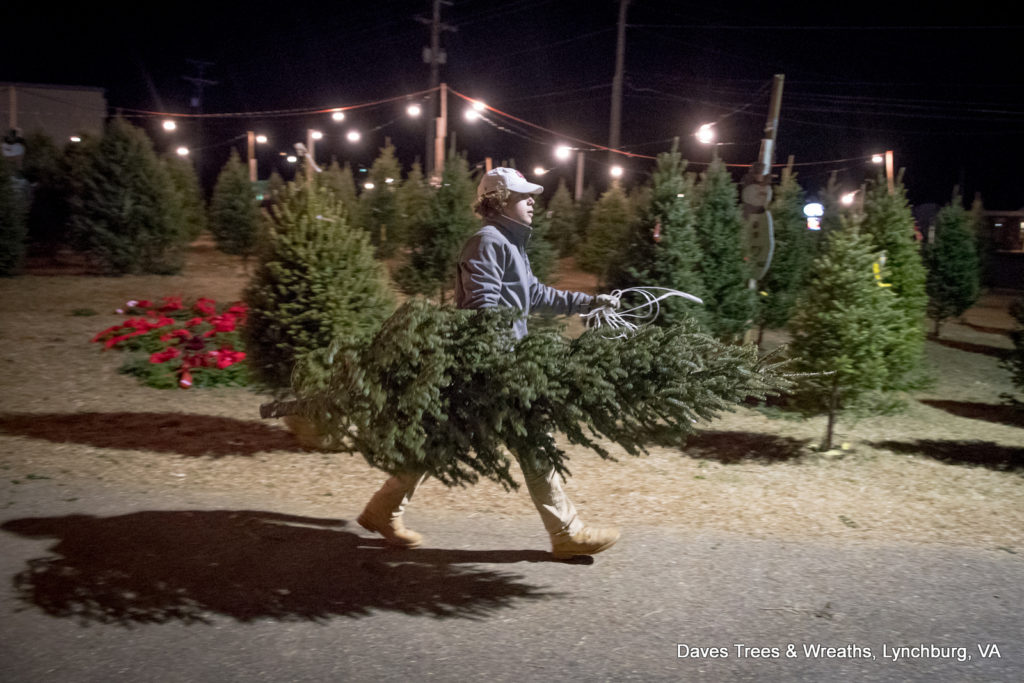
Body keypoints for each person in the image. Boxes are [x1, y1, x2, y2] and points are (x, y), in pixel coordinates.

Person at [357, 166, 621, 559]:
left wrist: (588, 303)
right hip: (490, 367)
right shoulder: (487, 242)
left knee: (440, 441)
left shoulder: (510, 244)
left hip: (497, 363)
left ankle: (381, 510)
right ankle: (566, 534)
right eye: (523, 196)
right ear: (499, 201)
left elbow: (534, 294)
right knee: (533, 441)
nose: (532, 201)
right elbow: (483, 309)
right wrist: (506, 365)